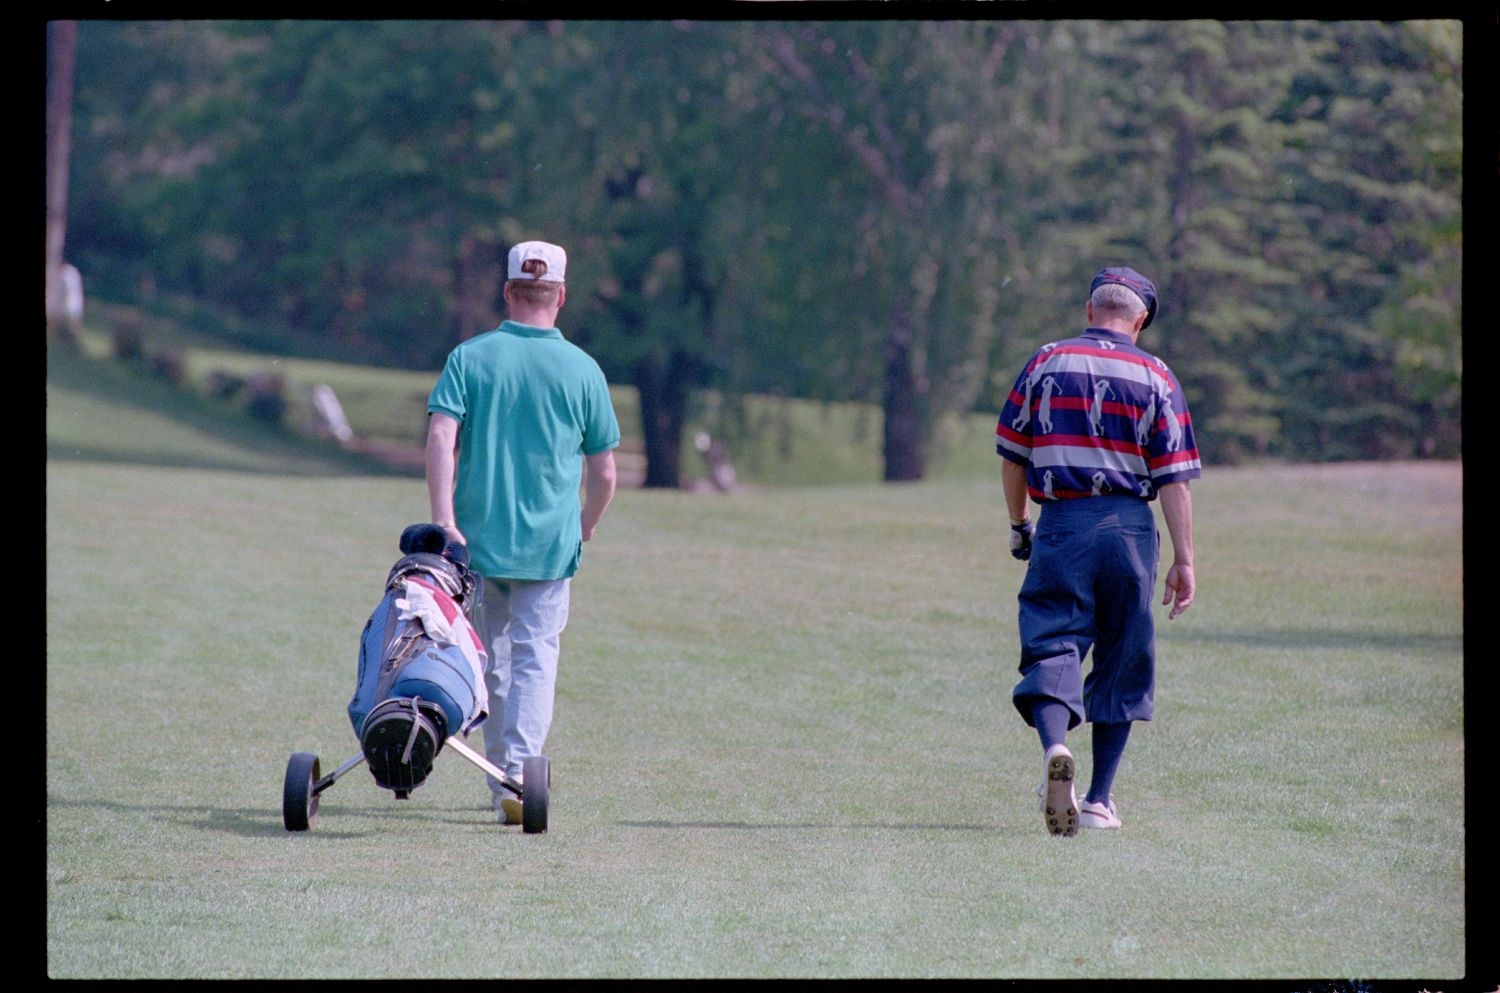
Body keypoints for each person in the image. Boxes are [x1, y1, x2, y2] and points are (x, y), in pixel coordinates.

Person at [994, 266, 1199, 837]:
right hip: (1131, 531)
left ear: (1090, 311)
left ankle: (1056, 747)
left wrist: (1019, 523)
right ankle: (1100, 800)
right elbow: (1174, 479)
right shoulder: (1158, 375)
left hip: (1062, 523)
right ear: (1141, 321)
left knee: (1053, 641)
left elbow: (1013, 453)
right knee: (1122, 657)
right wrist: (1184, 560)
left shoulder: (1045, 361)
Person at [425, 240, 621, 824]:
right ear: (560, 296)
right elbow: (605, 471)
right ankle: (518, 777)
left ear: (508, 290)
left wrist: (444, 522)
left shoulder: (470, 357)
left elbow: (441, 436)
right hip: (549, 546)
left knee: (489, 661)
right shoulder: (584, 369)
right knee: (536, 660)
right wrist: (583, 528)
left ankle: (503, 779)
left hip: (476, 543)